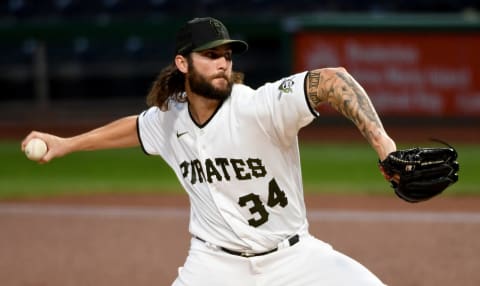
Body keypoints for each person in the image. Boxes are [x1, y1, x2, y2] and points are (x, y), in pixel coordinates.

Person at [22, 17, 396, 285]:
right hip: (214, 266)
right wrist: (66, 144)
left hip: (295, 259)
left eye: (227, 56)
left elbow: (332, 80)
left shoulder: (259, 106)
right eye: (210, 55)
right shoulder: (171, 119)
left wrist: (384, 145)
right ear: (183, 63)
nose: (222, 64)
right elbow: (134, 128)